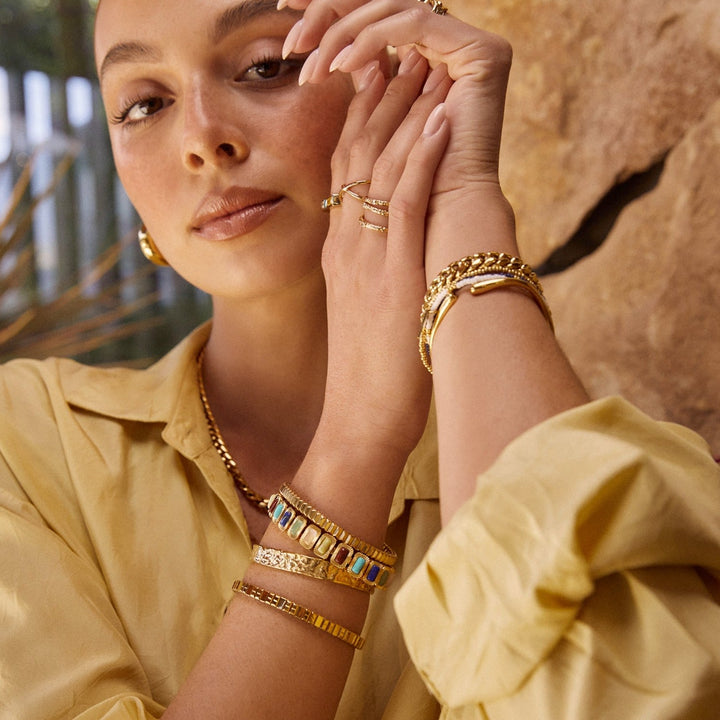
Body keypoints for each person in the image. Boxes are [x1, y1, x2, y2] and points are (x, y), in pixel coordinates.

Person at [1, 0, 720, 718]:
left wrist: (464, 204)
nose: (201, 139)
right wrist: (356, 439)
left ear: (404, 64)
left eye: (267, 66)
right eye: (144, 105)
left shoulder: (573, 454)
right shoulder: (29, 444)